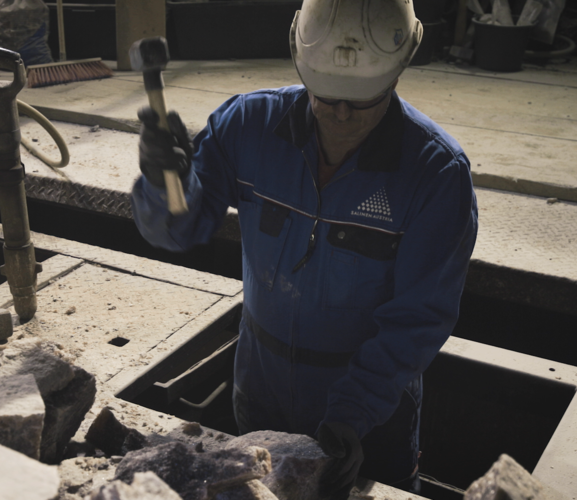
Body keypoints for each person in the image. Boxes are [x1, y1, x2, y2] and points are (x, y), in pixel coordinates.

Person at [131, 0, 478, 497]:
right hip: (260, 389)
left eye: (362, 100)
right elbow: (175, 232)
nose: (339, 113)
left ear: (403, 66)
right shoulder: (248, 126)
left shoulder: (436, 176)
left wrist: (354, 413)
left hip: (371, 416)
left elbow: (420, 318)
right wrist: (163, 181)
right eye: (325, 94)